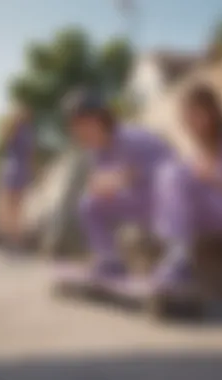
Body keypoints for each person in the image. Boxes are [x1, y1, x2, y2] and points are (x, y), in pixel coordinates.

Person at [153, 84, 222, 292]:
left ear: (211, 111)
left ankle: (179, 260)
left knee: (175, 174)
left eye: (195, 114)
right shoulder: (202, 141)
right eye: (187, 116)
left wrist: (214, 178)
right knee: (169, 173)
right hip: (210, 211)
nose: (191, 122)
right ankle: (176, 254)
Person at [65, 89, 174, 278]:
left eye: (83, 122)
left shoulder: (132, 137)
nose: (80, 130)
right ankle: (110, 260)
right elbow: (101, 184)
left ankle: (177, 262)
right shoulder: (97, 152)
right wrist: (103, 186)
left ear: (100, 119)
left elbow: (170, 171)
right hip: (141, 203)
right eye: (76, 125)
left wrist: (125, 177)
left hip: (167, 202)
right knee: (89, 204)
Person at [0, 101, 35, 259]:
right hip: (14, 170)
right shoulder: (18, 131)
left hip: (17, 170)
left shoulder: (23, 131)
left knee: (15, 209)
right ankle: (12, 244)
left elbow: (30, 154)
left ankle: (14, 244)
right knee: (12, 209)